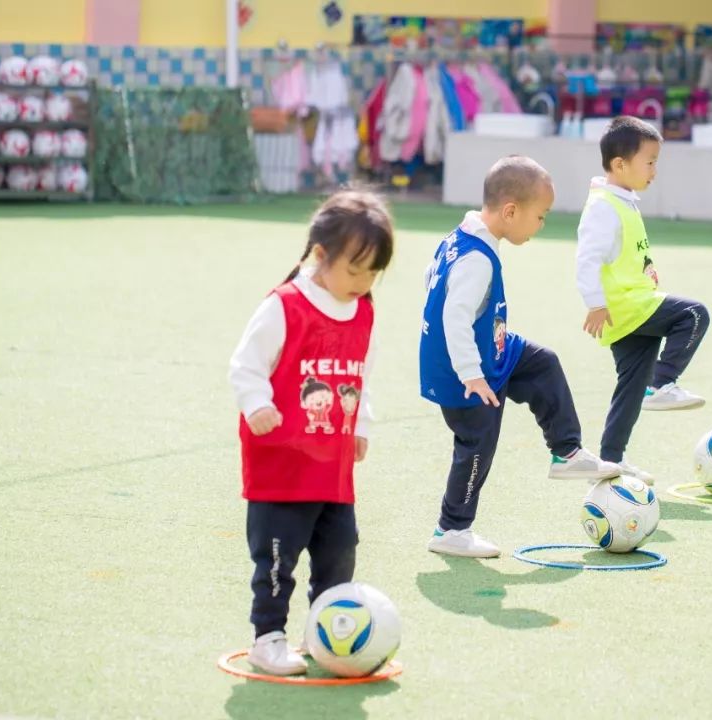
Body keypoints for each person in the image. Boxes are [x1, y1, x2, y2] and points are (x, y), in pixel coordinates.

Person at [420, 155, 620, 558]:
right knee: (477, 444)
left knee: (542, 363)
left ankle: (567, 452)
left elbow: (433, 278)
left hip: (493, 349)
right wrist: (471, 373)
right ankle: (451, 530)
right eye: (540, 216)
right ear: (510, 212)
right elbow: (454, 317)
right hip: (464, 374)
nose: (541, 225)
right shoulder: (477, 258)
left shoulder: (461, 237)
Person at [228, 190, 393, 674]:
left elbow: (361, 375)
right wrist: (257, 404)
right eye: (354, 271)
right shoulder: (286, 305)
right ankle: (267, 638)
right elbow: (246, 365)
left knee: (339, 555)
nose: (362, 283)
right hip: (281, 466)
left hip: (333, 467)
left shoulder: (363, 311)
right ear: (320, 254)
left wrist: (360, 424)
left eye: (373, 273)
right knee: (277, 562)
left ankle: (323, 634)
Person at [576, 116, 709, 485]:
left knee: (631, 388)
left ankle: (611, 461)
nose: (654, 171)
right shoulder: (604, 206)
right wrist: (595, 303)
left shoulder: (622, 200)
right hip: (627, 306)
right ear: (620, 164)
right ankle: (662, 383)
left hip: (633, 307)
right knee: (694, 315)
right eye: (649, 162)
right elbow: (587, 258)